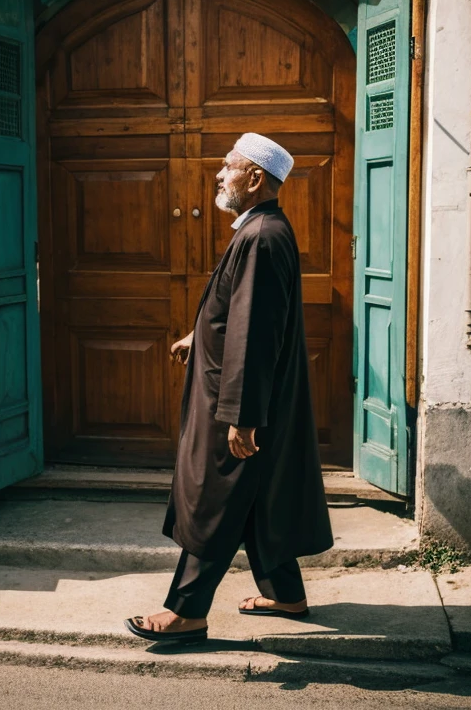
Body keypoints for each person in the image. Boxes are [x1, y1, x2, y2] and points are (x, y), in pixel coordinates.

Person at [125, 133, 333, 643]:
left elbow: (256, 333)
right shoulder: (260, 229)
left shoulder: (262, 236)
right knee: (254, 495)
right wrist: (200, 335)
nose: (219, 175)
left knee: (214, 499)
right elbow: (240, 308)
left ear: (256, 178)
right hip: (240, 396)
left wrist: (242, 415)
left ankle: (186, 611)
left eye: (228, 166)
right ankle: (287, 595)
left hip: (235, 402)